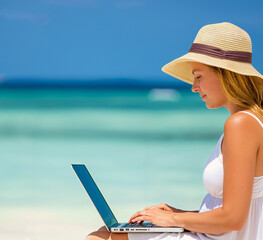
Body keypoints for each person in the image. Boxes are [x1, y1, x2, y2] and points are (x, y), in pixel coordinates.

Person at [86, 22, 263, 240]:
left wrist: (172, 220)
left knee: (101, 238)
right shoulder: (249, 122)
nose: (194, 86)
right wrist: (180, 214)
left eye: (198, 76)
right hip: (214, 234)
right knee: (105, 233)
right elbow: (232, 213)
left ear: (226, 74)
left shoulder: (241, 124)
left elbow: (233, 219)